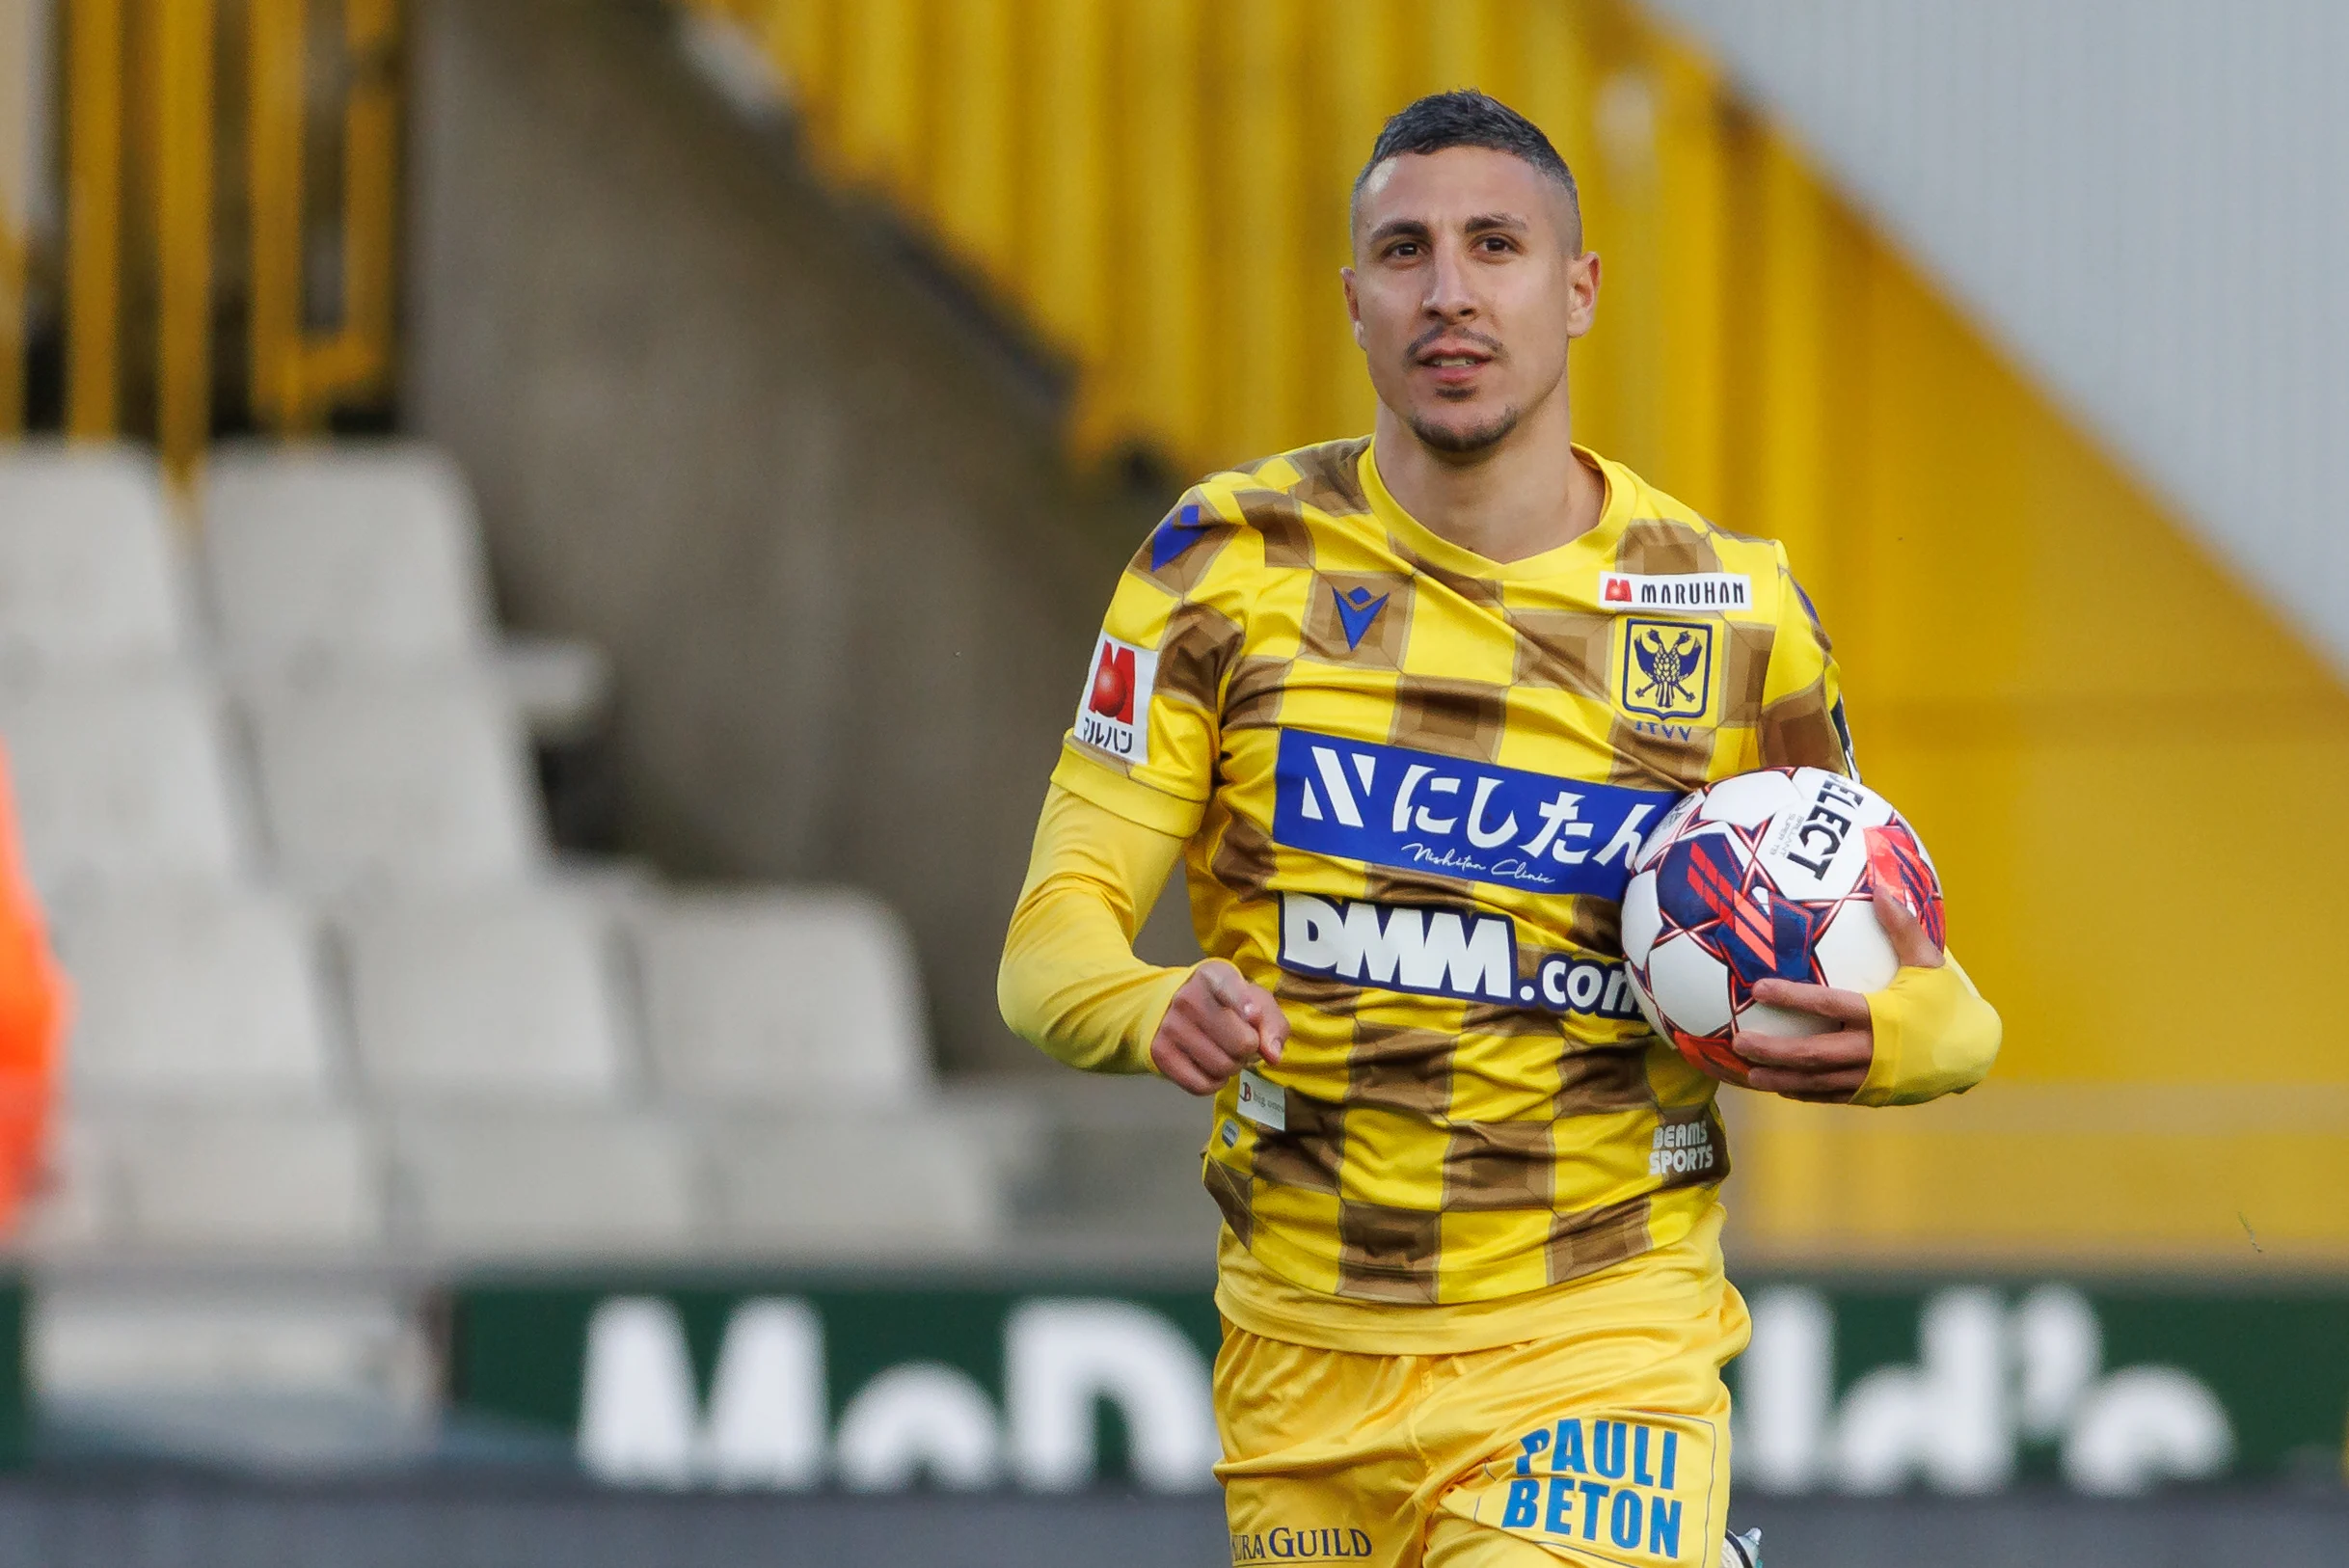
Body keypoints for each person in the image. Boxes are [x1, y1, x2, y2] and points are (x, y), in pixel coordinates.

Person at [999, 90, 1999, 1568]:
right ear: (1353, 301)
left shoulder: (1734, 612)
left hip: (1600, 1338)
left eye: (1497, 246)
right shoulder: (1219, 563)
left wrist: (1913, 1039)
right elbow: (1047, 941)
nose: (1450, 290)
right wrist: (1151, 1002)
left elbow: (1914, 961)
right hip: (1299, 1358)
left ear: (1579, 288)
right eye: (1405, 251)